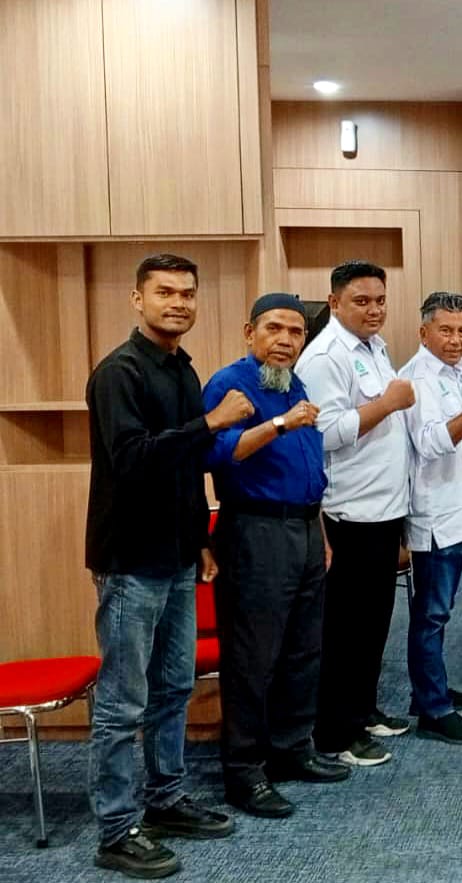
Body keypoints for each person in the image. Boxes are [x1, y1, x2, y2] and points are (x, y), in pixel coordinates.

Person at [86, 254, 242, 878]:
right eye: (165, 292)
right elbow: (133, 459)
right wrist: (211, 422)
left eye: (187, 293)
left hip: (177, 555)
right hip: (131, 559)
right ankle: (115, 829)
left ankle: (165, 800)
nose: (178, 303)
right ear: (138, 299)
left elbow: (186, 469)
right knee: (123, 701)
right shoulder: (118, 373)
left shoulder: (181, 367)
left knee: (174, 686)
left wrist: (199, 539)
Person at [202, 293, 349, 821]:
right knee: (253, 657)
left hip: (304, 527)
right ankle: (244, 770)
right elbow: (217, 454)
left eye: (295, 332)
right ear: (250, 333)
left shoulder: (295, 383)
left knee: (303, 649)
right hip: (255, 530)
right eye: (274, 329)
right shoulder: (230, 383)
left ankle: (292, 748)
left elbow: (309, 468)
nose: (285, 340)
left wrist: (320, 531)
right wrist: (280, 424)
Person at [294, 260, 416, 767]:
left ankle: (362, 710)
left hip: (382, 508)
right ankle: (335, 733)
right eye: (362, 301)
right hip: (349, 513)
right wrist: (387, 404)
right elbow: (322, 432)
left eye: (380, 300)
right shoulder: (325, 356)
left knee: (373, 623)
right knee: (344, 630)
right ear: (335, 303)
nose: (374, 310)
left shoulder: (374, 347)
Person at [399, 292, 462, 745]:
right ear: (424, 332)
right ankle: (433, 710)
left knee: (439, 611)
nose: (456, 339)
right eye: (446, 330)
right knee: (431, 615)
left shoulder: (460, 371)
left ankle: (429, 690)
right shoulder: (417, 378)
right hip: (436, 515)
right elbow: (430, 443)